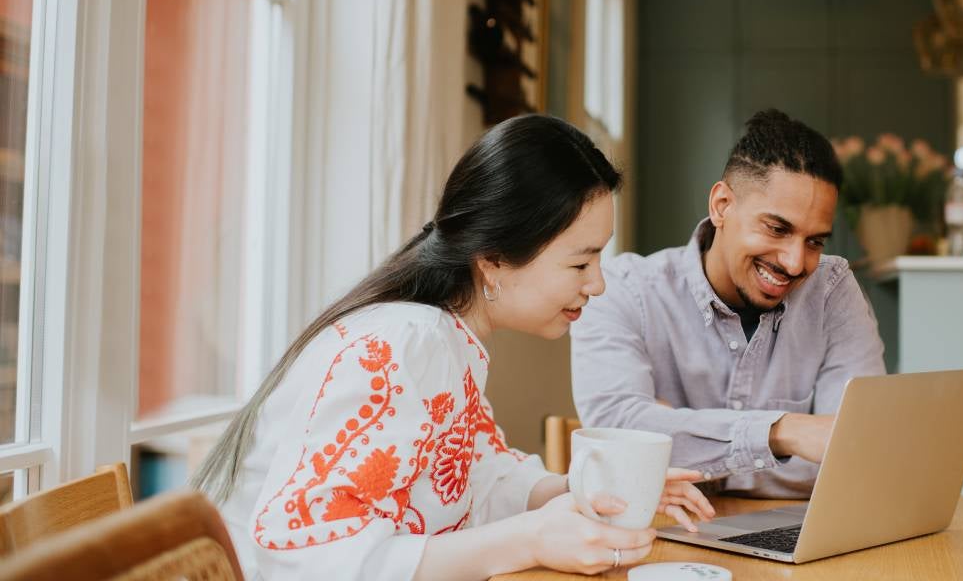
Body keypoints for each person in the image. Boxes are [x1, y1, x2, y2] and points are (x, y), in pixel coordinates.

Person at [195, 115, 713, 580]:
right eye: (581, 263)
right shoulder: (403, 344)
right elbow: (309, 558)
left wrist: (597, 490)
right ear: (493, 260)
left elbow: (477, 478)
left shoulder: (444, 342)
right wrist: (530, 538)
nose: (598, 285)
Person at [572, 109, 886, 499]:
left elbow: (857, 453)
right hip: (665, 537)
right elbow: (618, 434)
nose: (794, 262)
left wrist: (687, 445)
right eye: (777, 228)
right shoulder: (624, 291)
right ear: (721, 205)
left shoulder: (832, 290)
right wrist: (784, 432)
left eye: (815, 241)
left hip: (797, 543)